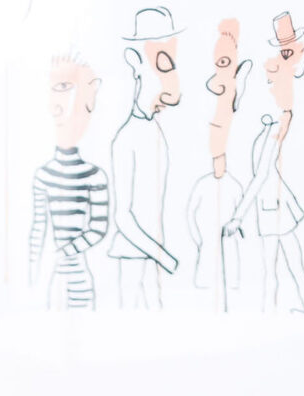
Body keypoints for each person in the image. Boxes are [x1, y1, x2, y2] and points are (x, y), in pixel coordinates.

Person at [228, 12, 304, 311]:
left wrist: (238, 216)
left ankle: (285, 313)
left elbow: (263, 174)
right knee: (283, 268)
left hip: (273, 207)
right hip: (273, 206)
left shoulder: (278, 122)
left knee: (277, 270)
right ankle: (303, 310)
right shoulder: (269, 124)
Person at [108, 5, 183, 310]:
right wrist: (164, 257)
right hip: (136, 254)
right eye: (161, 64)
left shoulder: (155, 132)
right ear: (136, 64)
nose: (169, 79)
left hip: (153, 252)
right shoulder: (126, 138)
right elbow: (123, 216)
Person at [29, 54, 111, 310]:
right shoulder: (43, 175)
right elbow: (37, 229)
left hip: (78, 278)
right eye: (59, 90)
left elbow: (98, 228)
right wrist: (32, 273)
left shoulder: (94, 176)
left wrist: (64, 252)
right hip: (53, 280)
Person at [186, 19, 250, 310]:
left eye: (224, 61)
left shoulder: (232, 92)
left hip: (222, 132)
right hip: (217, 136)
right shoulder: (218, 92)